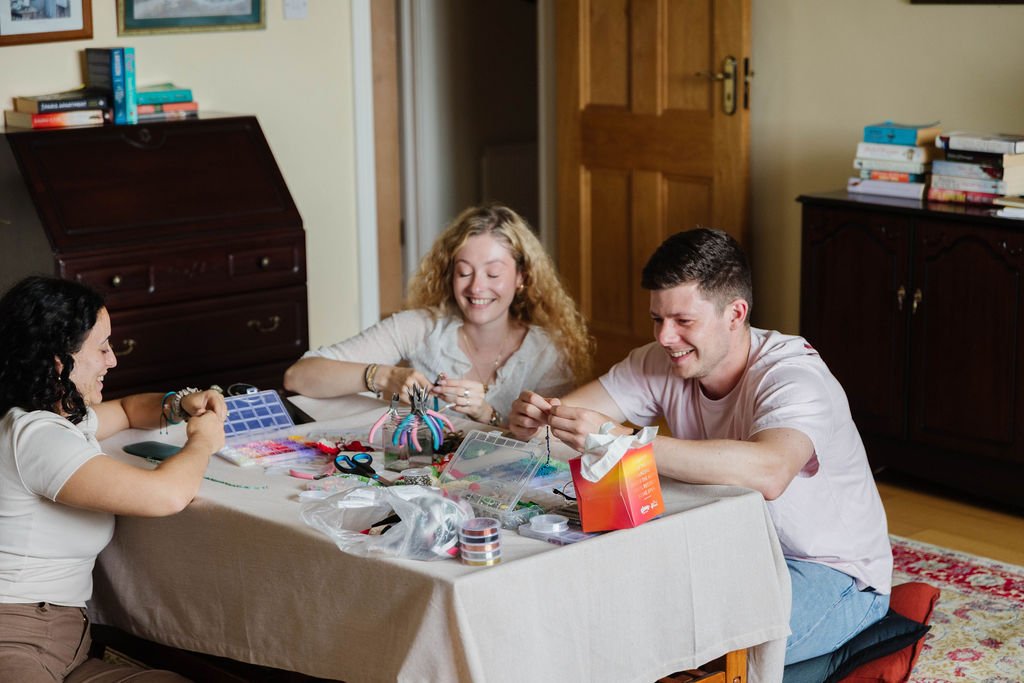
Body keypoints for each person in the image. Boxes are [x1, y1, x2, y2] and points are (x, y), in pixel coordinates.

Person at [509, 228, 892, 666]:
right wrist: (536, 420)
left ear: (735, 313)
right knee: (609, 613)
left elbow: (769, 471)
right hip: (730, 546)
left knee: (686, 648)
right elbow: (571, 416)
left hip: (830, 571)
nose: (665, 336)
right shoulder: (661, 360)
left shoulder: (794, 377)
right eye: (657, 319)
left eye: (683, 321)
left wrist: (624, 441)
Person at [0, 276, 227, 682]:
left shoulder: (45, 416)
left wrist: (179, 404)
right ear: (59, 358)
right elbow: (165, 495)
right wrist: (202, 442)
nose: (113, 360)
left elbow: (126, 410)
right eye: (102, 347)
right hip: (15, 639)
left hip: (64, 643)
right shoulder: (36, 437)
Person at [284, 203, 592, 427]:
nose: (477, 287)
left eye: (493, 274)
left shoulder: (547, 351)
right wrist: (384, 377)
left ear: (522, 277)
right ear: (449, 274)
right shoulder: (420, 327)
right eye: (464, 272)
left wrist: (487, 414)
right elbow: (298, 377)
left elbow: (552, 444)